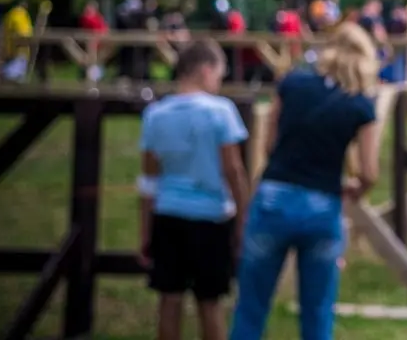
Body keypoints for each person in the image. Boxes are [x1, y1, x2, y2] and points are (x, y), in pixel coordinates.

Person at [230, 22, 380, 340]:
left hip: (275, 195)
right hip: (323, 203)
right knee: (317, 315)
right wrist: (355, 189)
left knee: (250, 309)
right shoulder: (360, 105)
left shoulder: (292, 83)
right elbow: (369, 172)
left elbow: (269, 145)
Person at [138, 39, 250, 340]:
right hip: (211, 216)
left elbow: (149, 180)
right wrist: (243, 217)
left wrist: (145, 229)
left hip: (168, 213)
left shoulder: (156, 114)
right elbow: (233, 170)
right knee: (210, 303)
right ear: (205, 70)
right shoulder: (221, 111)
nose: (219, 82)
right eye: (218, 75)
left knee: (169, 300)